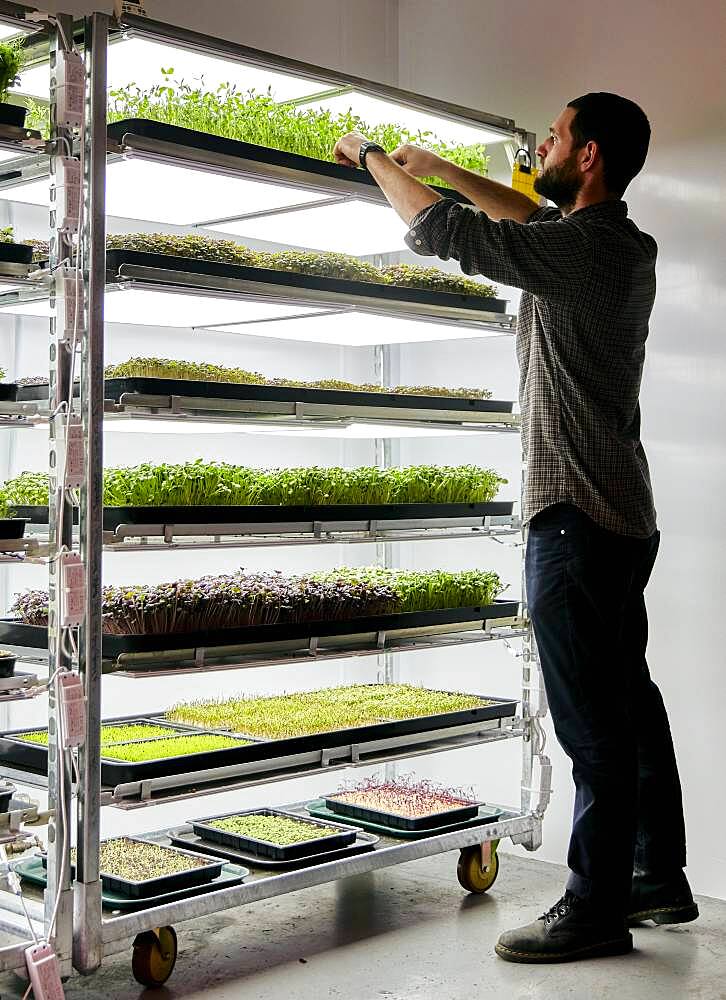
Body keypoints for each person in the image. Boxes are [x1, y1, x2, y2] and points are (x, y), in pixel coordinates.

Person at [333, 92, 696, 964]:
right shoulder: (618, 243)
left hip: (571, 516)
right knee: (630, 705)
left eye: (556, 135)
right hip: (619, 515)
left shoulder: (577, 250)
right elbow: (527, 209)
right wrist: (445, 169)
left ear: (592, 154)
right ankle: (654, 876)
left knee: (591, 726)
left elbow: (449, 236)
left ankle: (592, 908)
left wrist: (374, 157)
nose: (541, 143)